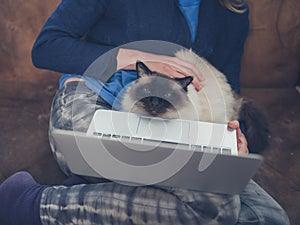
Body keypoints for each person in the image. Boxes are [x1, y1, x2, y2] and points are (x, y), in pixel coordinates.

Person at [0, 0, 290, 224]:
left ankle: (100, 191)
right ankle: (27, 201)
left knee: (267, 217)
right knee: (215, 210)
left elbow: (225, 88)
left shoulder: (232, 9)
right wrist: (137, 57)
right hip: (93, 99)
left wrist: (231, 138)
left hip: (172, 122)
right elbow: (46, 47)